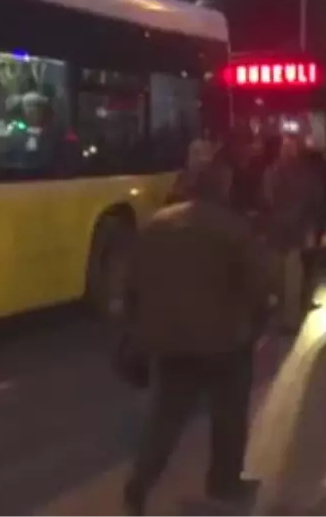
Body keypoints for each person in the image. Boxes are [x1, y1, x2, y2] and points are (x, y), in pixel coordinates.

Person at [121, 161, 275, 516]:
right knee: (229, 415)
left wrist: (139, 326)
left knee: (164, 418)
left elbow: (132, 283)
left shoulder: (156, 224)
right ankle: (224, 482)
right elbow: (259, 284)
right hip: (223, 340)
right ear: (222, 188)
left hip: (168, 341)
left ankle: (139, 483)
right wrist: (258, 322)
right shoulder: (234, 229)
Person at [262, 135, 325, 332]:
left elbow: (266, 198)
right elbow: (316, 199)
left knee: (278, 279)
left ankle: (281, 316)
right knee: (292, 278)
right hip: (295, 232)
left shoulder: (272, 172)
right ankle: (289, 319)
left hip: (277, 232)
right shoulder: (306, 174)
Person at [298, 135, 326, 312]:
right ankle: (306, 297)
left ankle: (301, 297)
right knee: (312, 261)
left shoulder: (299, 172)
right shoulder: (325, 171)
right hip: (316, 222)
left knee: (303, 261)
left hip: (303, 223)